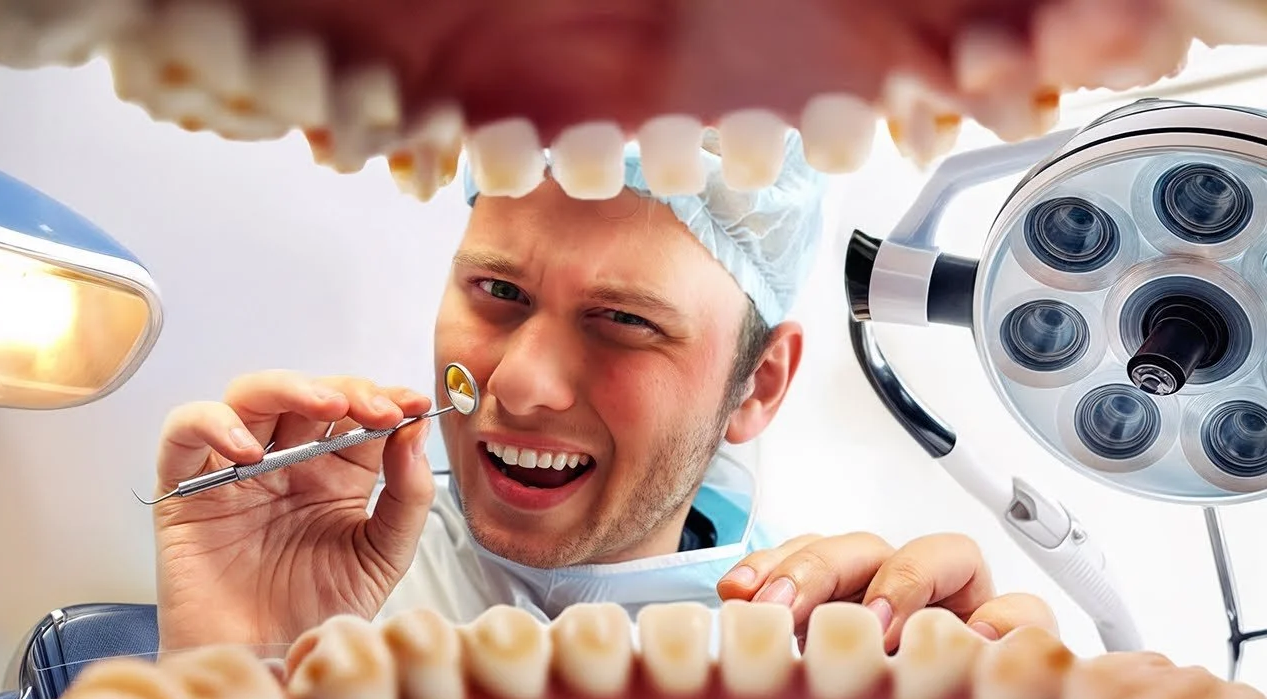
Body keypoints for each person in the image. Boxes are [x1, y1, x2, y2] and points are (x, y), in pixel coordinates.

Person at [149, 129, 1057, 654]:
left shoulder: (815, 654)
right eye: (498, 290)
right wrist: (233, 665)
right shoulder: (316, 577)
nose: (520, 384)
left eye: (623, 320)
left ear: (758, 384)